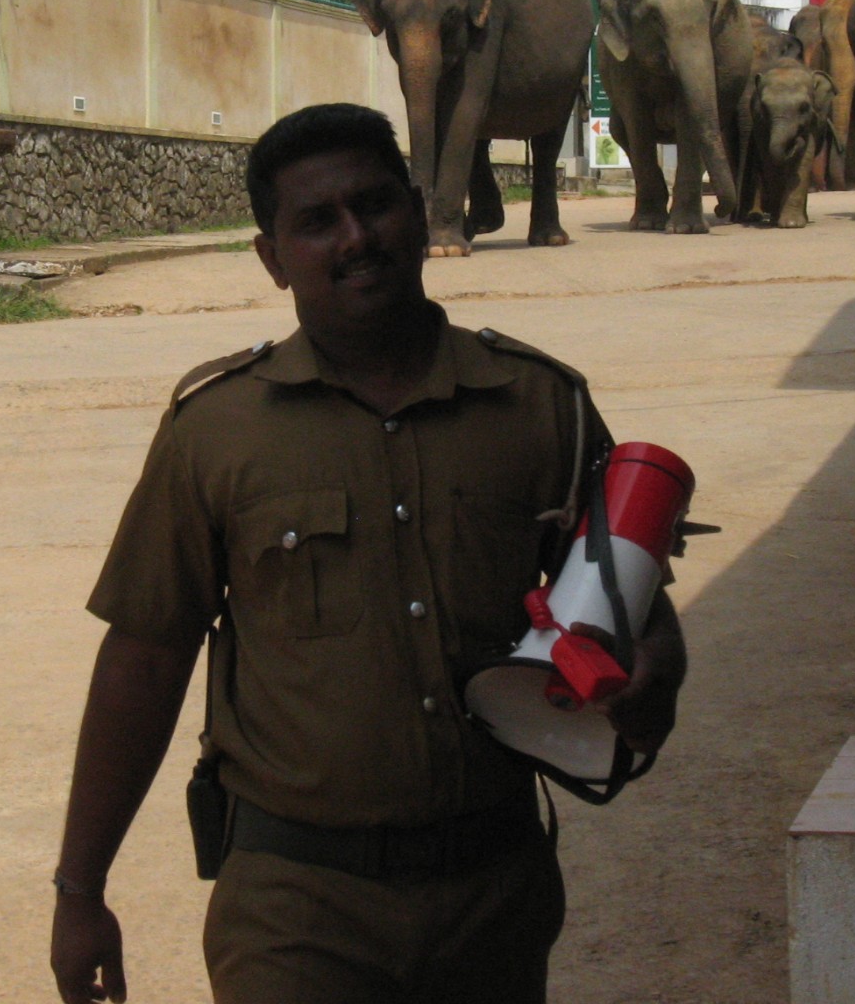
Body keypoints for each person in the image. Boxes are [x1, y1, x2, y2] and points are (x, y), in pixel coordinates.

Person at [49, 103, 687, 1004]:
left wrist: (659, 659)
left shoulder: (540, 406)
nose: (357, 237)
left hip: (493, 893)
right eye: (317, 222)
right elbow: (145, 659)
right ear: (272, 258)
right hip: (295, 910)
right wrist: (81, 891)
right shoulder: (217, 433)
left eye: (375, 204)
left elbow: (627, 595)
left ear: (419, 211)